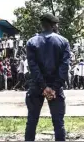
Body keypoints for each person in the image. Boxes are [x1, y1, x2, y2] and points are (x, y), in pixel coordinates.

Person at [25, 13, 70, 141]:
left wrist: (43, 87)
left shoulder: (31, 42)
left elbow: (33, 67)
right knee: (58, 123)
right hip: (56, 87)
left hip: (36, 86)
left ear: (42, 25)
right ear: (53, 25)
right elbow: (64, 67)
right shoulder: (64, 41)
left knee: (32, 122)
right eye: (56, 24)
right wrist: (54, 87)